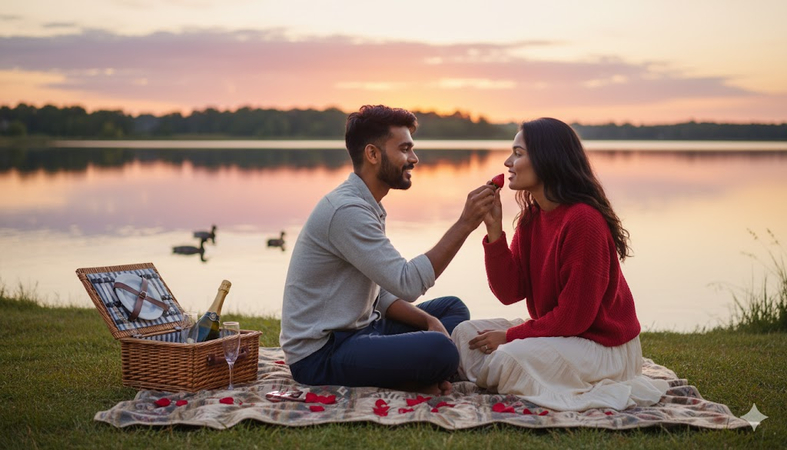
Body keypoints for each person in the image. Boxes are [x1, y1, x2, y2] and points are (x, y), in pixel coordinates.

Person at [451, 117, 669, 411]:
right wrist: (494, 231)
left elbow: (574, 317)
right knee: (464, 334)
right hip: (560, 336)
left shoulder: (583, 221)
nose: (507, 162)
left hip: (601, 346)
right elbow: (509, 292)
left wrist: (510, 337)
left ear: (546, 159)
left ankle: (495, 375)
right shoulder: (532, 218)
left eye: (518, 153)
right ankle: (500, 376)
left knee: (509, 357)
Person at [280, 105, 496, 395]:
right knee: (440, 350)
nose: (414, 159)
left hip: (363, 330)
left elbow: (380, 293)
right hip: (322, 354)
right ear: (372, 154)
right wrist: (465, 223)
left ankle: (420, 376)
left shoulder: (367, 204)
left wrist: (428, 320)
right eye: (405, 149)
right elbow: (407, 283)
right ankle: (418, 377)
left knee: (451, 310)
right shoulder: (347, 211)